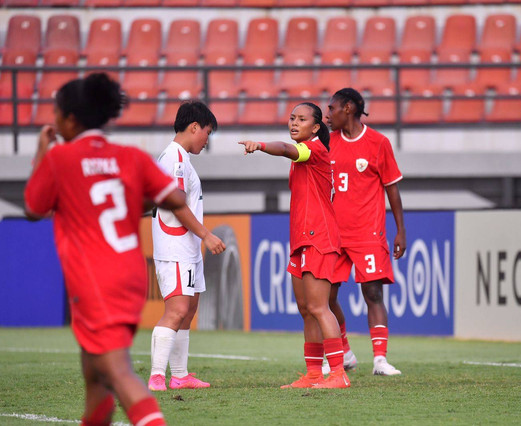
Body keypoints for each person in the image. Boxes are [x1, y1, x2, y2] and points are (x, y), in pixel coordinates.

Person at [23, 73, 186, 426]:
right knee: (95, 378)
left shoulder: (61, 158)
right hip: (129, 275)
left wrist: (40, 151)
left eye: (56, 113)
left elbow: (33, 209)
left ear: (69, 119)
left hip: (94, 279)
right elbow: (175, 197)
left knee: (118, 372)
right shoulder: (130, 156)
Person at [238, 102, 350, 389]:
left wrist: (259, 145)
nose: (294, 123)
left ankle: (338, 374)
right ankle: (314, 374)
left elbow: (287, 149)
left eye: (301, 119)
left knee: (319, 306)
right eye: (291, 118)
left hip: (319, 238)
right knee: (305, 308)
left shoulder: (313, 149)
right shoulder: (304, 154)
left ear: (315, 128)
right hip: (302, 239)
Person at [324, 88, 406, 376]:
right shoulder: (327, 142)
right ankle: (344, 351)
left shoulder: (378, 143)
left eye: (332, 108)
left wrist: (400, 231)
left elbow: (392, 189)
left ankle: (380, 360)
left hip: (367, 233)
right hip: (334, 234)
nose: (327, 114)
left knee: (373, 293)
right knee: (326, 296)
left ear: (348, 108)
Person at [148, 101, 226, 392]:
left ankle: (179, 375)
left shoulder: (179, 158)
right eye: (207, 132)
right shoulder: (175, 159)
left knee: (189, 308)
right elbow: (176, 204)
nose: (207, 140)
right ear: (194, 127)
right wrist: (206, 235)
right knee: (177, 310)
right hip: (176, 246)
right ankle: (157, 376)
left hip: (186, 247)